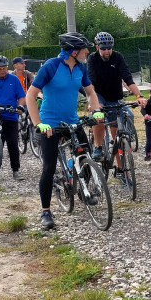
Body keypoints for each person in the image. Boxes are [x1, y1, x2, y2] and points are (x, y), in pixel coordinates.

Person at [27, 33, 104, 231]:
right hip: (50, 123)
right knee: (49, 167)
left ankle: (83, 189)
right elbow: (31, 96)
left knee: (85, 155)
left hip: (72, 120)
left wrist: (95, 110)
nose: (88, 51)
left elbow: (90, 92)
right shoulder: (51, 66)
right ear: (73, 50)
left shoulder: (80, 67)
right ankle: (46, 211)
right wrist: (38, 124)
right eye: (85, 48)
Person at [86, 32, 145, 162]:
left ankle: (121, 170)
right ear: (97, 47)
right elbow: (91, 82)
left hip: (114, 96)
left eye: (109, 48)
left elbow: (128, 78)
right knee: (98, 115)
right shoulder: (92, 59)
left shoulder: (118, 57)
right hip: (98, 94)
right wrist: (93, 103)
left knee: (116, 137)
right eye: (103, 48)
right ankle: (98, 147)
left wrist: (139, 95)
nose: (107, 51)